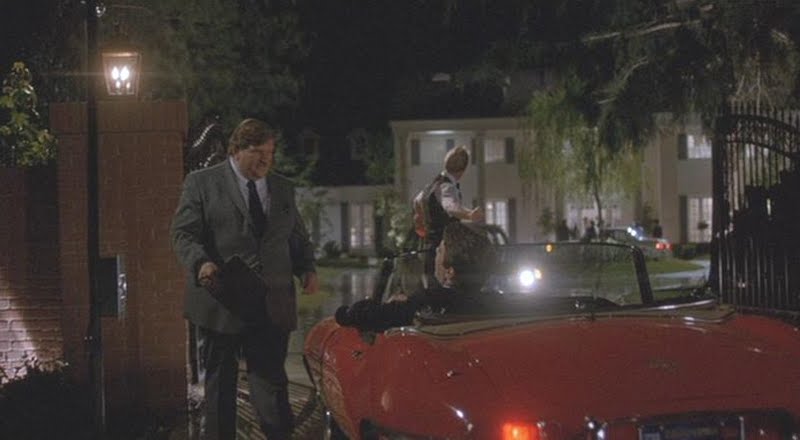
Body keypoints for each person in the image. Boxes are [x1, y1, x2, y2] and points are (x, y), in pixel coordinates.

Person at [171, 118, 318, 440]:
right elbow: (183, 233)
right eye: (258, 153)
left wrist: (307, 268)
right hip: (223, 299)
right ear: (236, 150)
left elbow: (296, 236)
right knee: (220, 386)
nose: (266, 161)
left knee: (271, 383)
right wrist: (201, 263)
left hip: (272, 301)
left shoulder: (282, 187)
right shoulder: (202, 183)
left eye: (270, 153)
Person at [336, 222, 494, 332]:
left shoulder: (429, 302)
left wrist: (392, 305)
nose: (434, 255)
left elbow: (363, 316)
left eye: (439, 251)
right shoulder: (496, 303)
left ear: (450, 271)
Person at [414, 145, 484, 250]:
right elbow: (450, 206)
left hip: (428, 245)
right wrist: (469, 215)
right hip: (445, 247)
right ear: (463, 170)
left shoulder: (431, 186)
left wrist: (420, 220)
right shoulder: (447, 187)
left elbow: (416, 201)